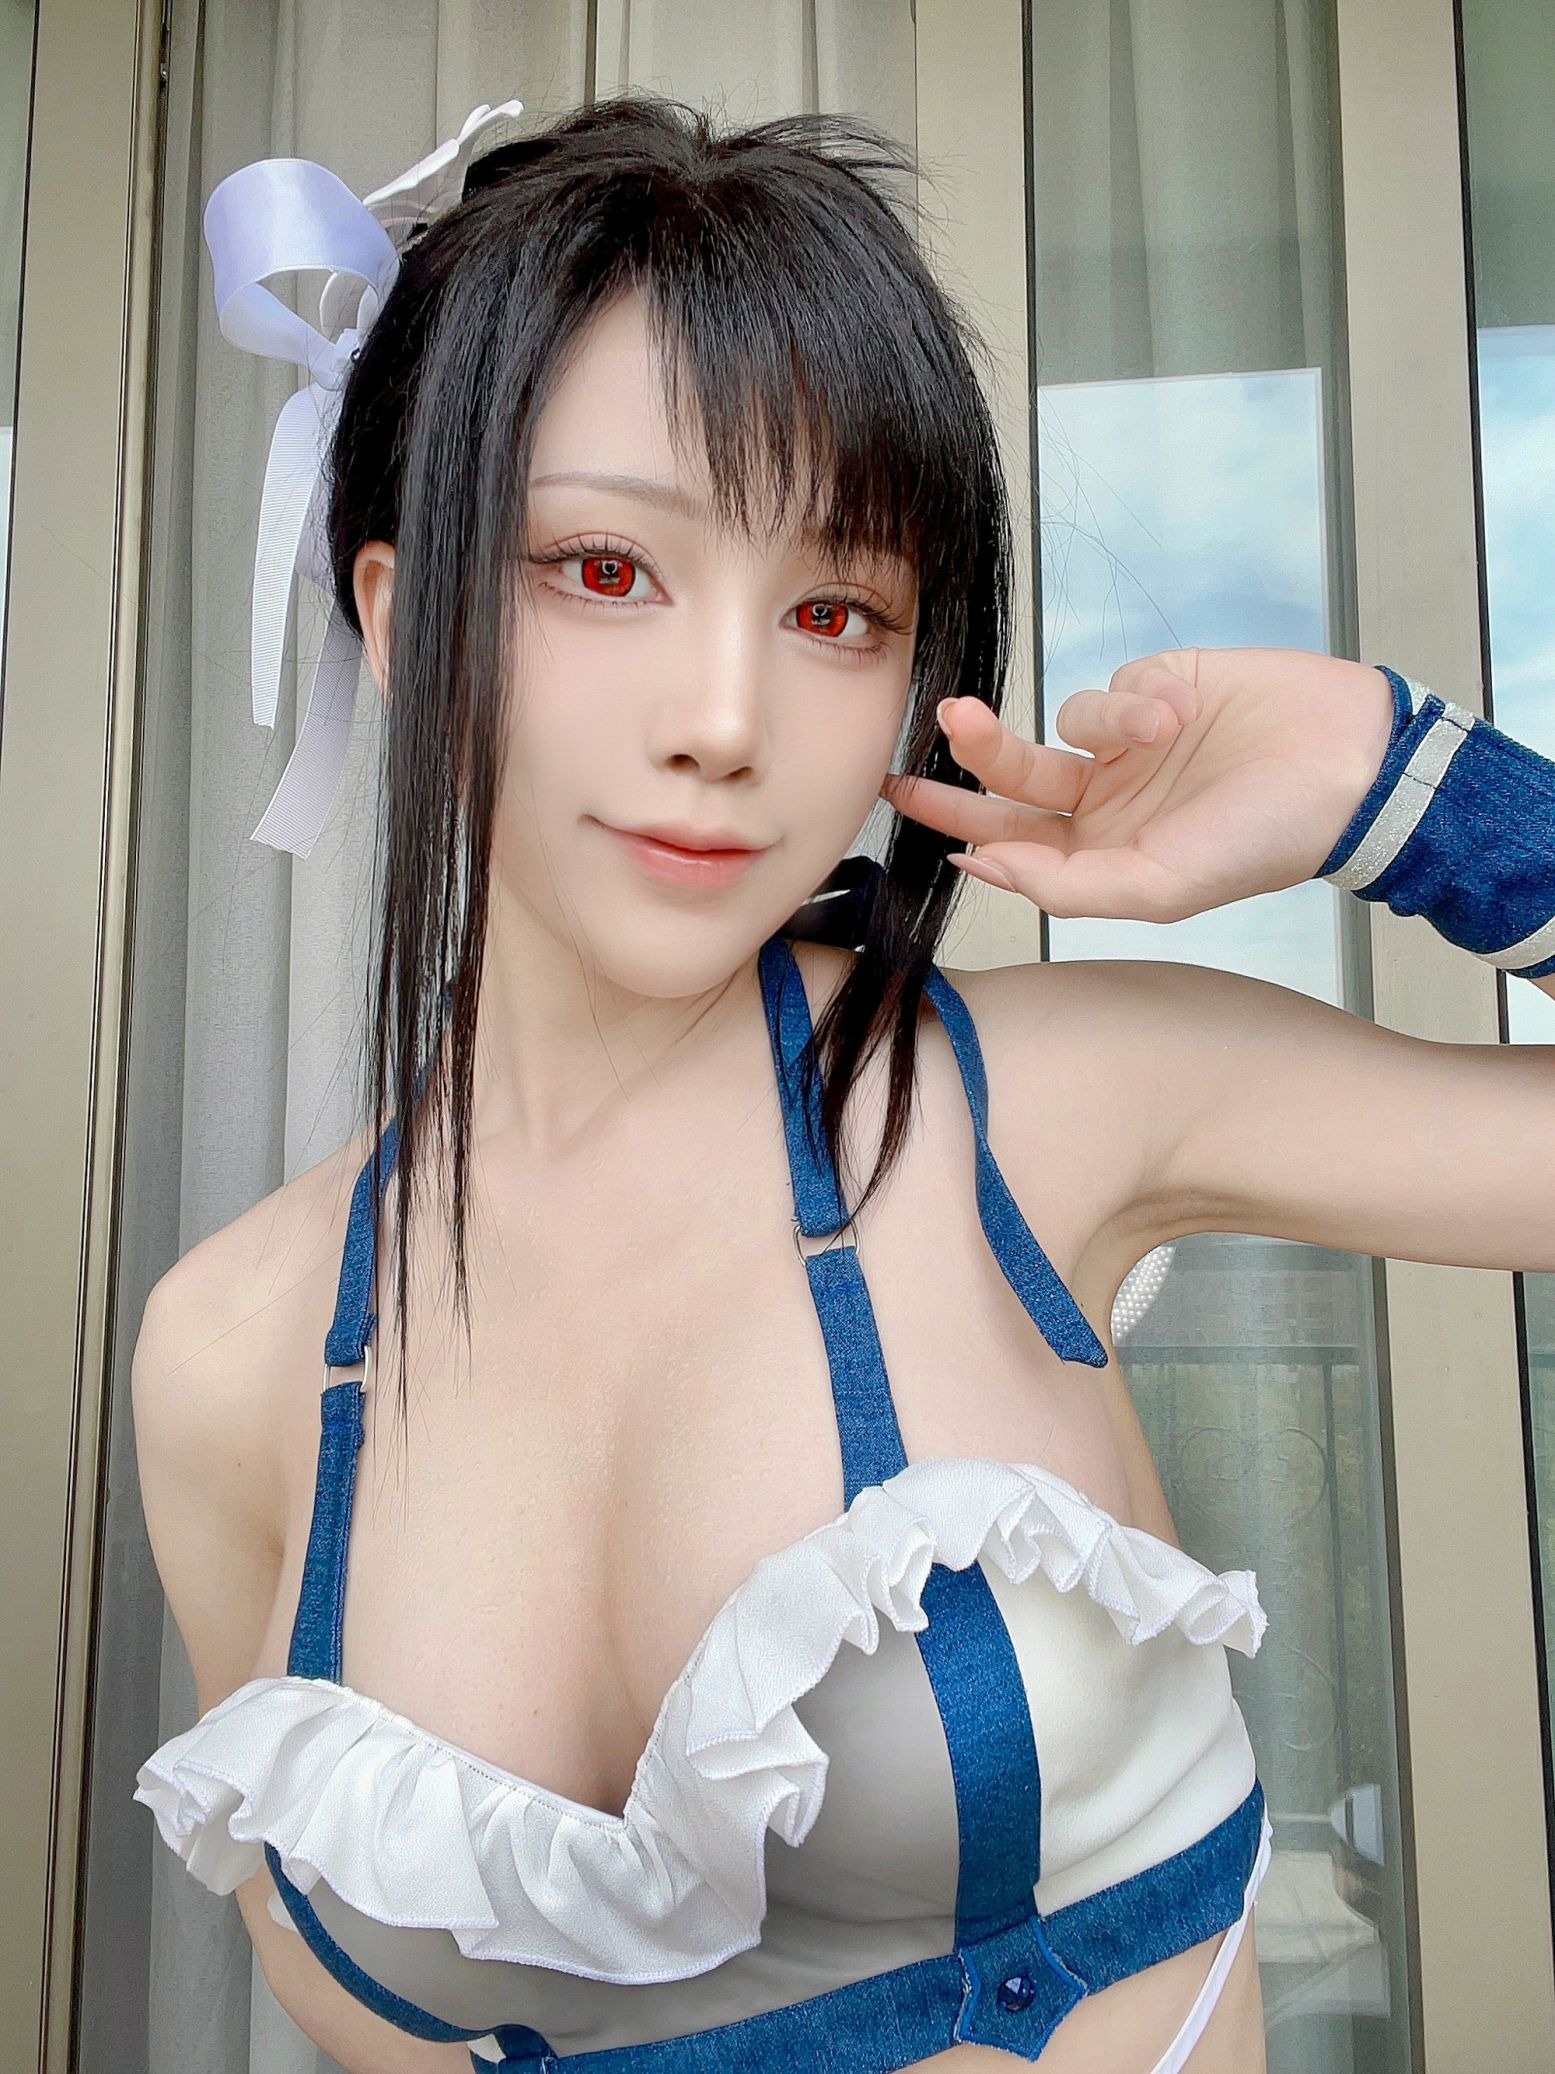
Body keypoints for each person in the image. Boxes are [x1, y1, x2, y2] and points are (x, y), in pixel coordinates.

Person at [129, 95, 1555, 2074]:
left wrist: (1395, 790)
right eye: (603, 567)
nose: (725, 721)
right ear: (397, 610)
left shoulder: (1025, 1106)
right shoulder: (230, 1350)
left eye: (833, 614)